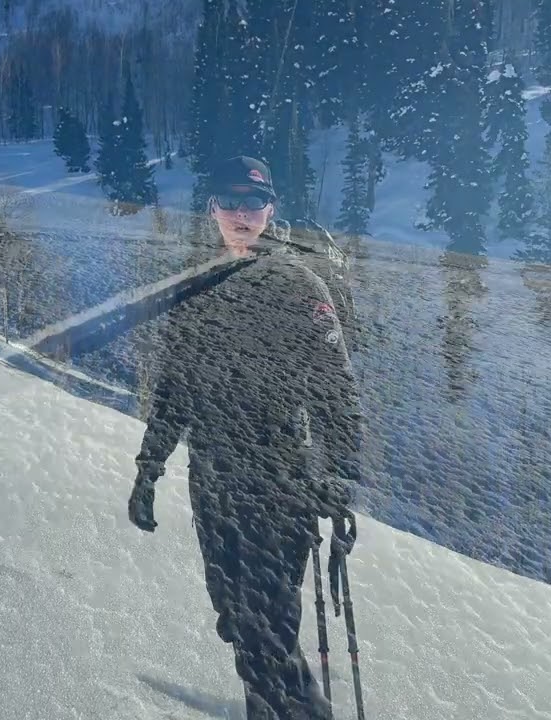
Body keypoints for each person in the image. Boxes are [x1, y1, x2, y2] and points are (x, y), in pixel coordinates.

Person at [126, 156, 365, 719]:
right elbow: (175, 389)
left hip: (279, 482)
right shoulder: (196, 286)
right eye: (229, 201)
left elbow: (337, 389)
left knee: (267, 634)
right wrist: (148, 469)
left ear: (270, 211)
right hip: (213, 483)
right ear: (213, 209)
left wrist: (337, 473)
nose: (241, 213)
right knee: (238, 622)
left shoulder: (298, 284)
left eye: (252, 203)